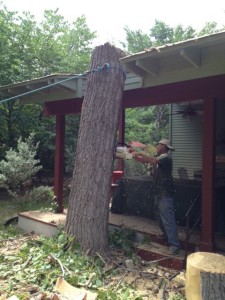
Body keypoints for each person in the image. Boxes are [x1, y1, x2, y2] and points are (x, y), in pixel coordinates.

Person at [131, 138, 180, 255]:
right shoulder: (159, 158)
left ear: (163, 146)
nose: (157, 147)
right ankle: (166, 235)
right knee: (159, 216)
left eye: (158, 145)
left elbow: (151, 159)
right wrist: (131, 155)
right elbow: (144, 161)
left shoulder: (166, 158)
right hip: (159, 192)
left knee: (168, 218)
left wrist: (138, 152)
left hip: (166, 194)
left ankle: (175, 245)